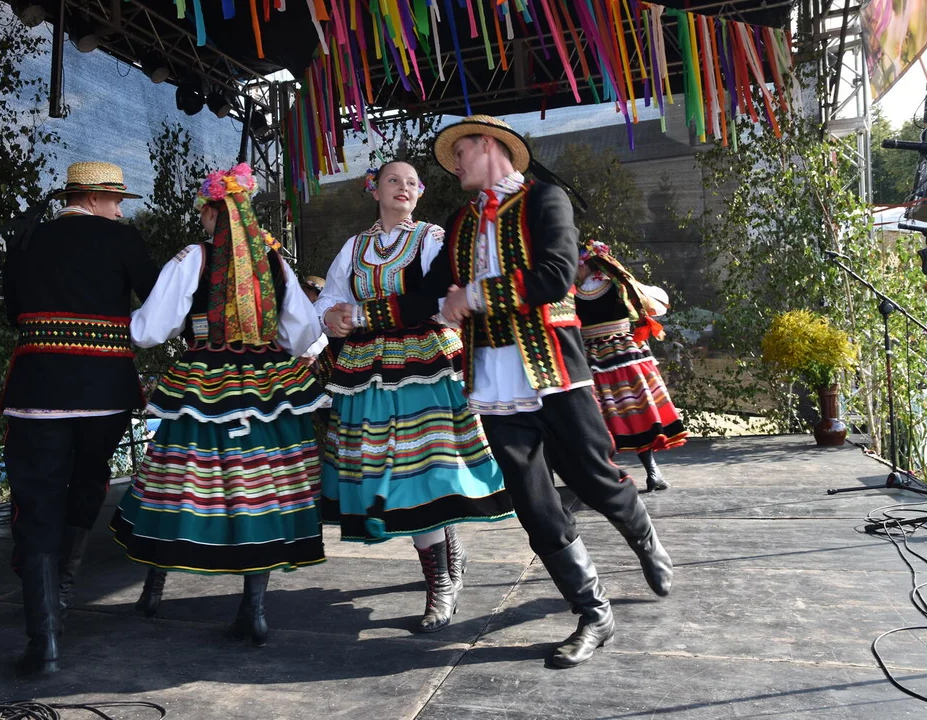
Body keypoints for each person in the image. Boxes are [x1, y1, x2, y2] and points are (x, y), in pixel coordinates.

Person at [325, 117, 674, 668]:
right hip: (493, 383)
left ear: (490, 146)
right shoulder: (460, 221)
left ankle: (645, 538)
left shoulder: (545, 200)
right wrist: (363, 314)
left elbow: (557, 275)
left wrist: (478, 295)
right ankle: (594, 613)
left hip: (554, 372)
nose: (454, 164)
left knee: (594, 478)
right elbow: (427, 294)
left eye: (460, 152)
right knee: (535, 507)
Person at [110, 164, 328, 648]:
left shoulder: (194, 258)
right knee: (264, 490)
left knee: (180, 481)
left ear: (212, 212)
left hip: (206, 387)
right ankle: (254, 608)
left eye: (204, 214)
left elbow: (150, 329)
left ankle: (153, 591)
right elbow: (305, 334)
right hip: (270, 390)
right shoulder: (275, 261)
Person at [318, 161, 514, 634]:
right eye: (393, 180)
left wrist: (364, 314)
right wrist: (333, 318)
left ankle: (440, 583)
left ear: (420, 193)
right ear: (374, 190)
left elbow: (437, 296)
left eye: (412, 183)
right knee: (397, 471)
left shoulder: (430, 239)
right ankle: (448, 558)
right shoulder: (355, 247)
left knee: (420, 469)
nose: (403, 187)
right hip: (369, 369)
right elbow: (328, 298)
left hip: (424, 363)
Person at [1, 161, 159, 675]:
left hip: (37, 386)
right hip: (104, 388)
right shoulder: (123, 240)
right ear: (93, 198)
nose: (119, 209)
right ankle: (62, 595)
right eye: (115, 200)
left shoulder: (27, 238)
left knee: (37, 502)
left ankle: (43, 635)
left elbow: (11, 311)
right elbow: (155, 304)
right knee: (87, 482)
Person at [576, 240, 687, 491]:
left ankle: (602, 478)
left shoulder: (575, 295)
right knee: (638, 411)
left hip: (595, 357)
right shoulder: (620, 286)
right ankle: (652, 471)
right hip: (627, 354)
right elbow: (649, 307)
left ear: (583, 265)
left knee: (601, 417)